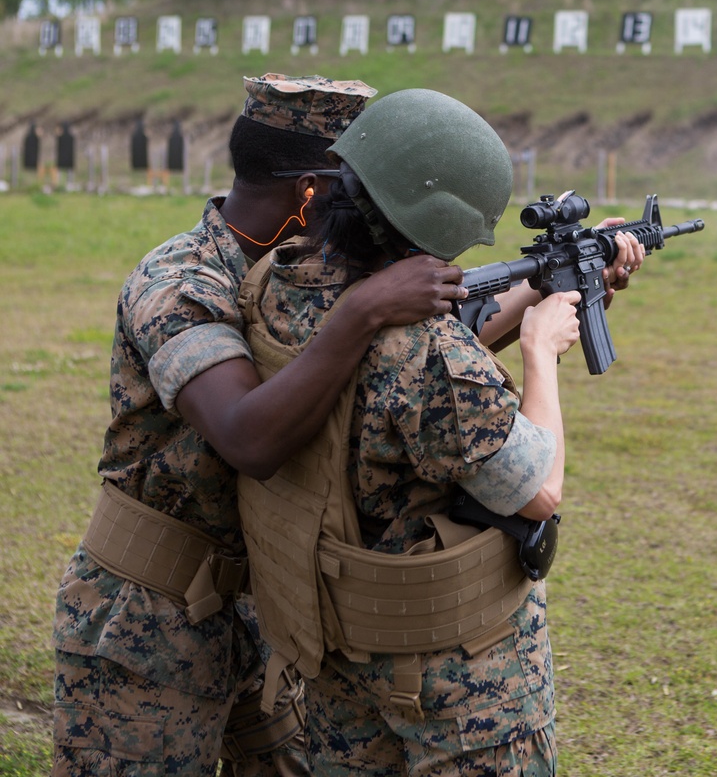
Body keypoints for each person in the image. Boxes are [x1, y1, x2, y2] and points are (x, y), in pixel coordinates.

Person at [50, 74, 473, 776]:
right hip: (145, 619)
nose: (365, 207)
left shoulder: (301, 276)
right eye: (352, 187)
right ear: (310, 191)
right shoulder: (179, 283)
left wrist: (543, 296)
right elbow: (249, 438)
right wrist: (364, 311)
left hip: (265, 607)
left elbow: (390, 379)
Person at [238, 88, 644, 776]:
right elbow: (538, 489)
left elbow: (425, 364)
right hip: (458, 680)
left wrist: (546, 285)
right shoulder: (429, 356)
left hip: (339, 650)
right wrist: (540, 353)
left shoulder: (283, 283)